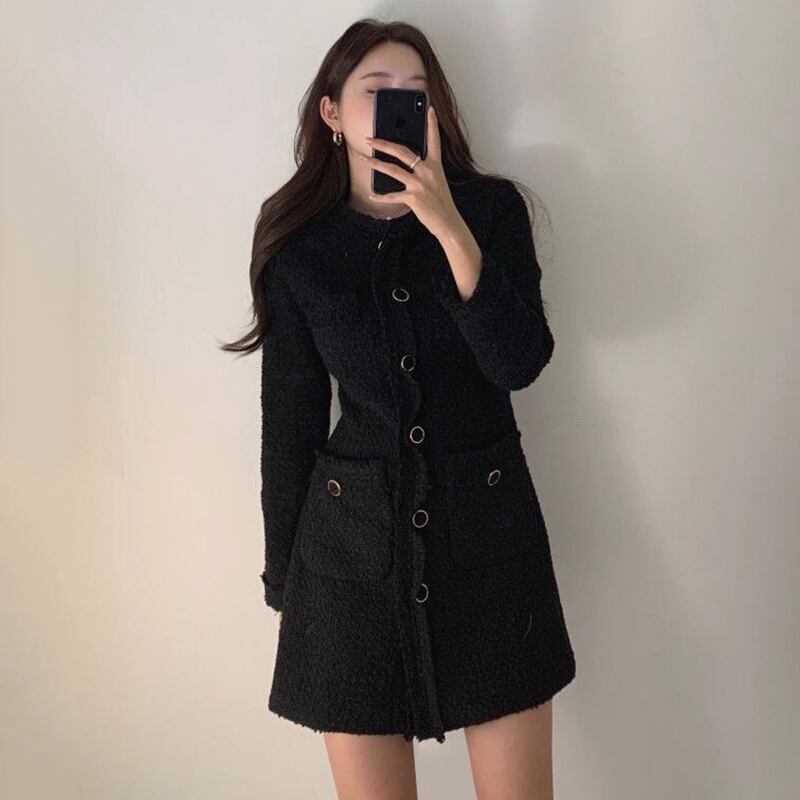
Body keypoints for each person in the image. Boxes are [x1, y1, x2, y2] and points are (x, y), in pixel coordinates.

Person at [222, 18, 576, 800]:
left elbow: (519, 363)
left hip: (491, 554)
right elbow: (290, 428)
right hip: (348, 565)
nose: (396, 106)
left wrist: (447, 225)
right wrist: (285, 584)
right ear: (332, 113)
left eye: (415, 94)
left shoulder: (490, 212)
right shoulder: (300, 248)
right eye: (375, 91)